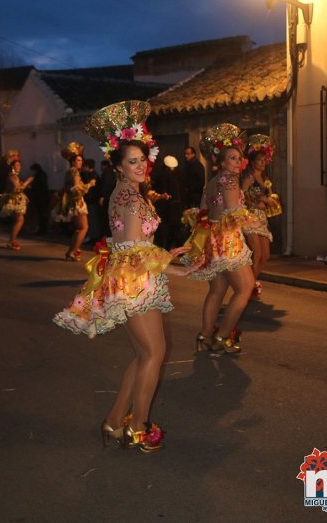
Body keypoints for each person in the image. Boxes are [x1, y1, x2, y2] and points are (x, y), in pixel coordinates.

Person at [53, 100, 197, 453]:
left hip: (130, 276)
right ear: (117, 166)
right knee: (154, 353)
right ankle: (138, 427)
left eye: (142, 159)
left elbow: (132, 244)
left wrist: (168, 253)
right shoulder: (130, 198)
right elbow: (134, 250)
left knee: (143, 355)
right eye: (132, 161)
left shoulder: (124, 193)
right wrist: (175, 266)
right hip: (136, 281)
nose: (141, 165)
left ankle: (115, 421)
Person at [182, 123, 255, 353]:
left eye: (238, 158)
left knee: (217, 290)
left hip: (212, 240)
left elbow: (201, 213)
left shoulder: (211, 183)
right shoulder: (230, 180)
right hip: (227, 241)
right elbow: (234, 212)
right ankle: (224, 337)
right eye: (232, 158)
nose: (237, 162)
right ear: (222, 162)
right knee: (245, 288)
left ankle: (204, 337)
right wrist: (252, 223)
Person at [241, 134, 281, 298]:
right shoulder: (249, 177)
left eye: (265, 160)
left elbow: (269, 195)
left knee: (265, 255)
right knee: (256, 254)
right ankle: (246, 289)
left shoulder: (265, 179)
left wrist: (270, 200)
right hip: (249, 217)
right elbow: (241, 196)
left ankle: (250, 285)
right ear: (252, 161)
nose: (263, 162)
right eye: (260, 160)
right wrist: (256, 202)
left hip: (262, 218)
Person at [51, 142, 96, 261]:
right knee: (84, 228)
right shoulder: (74, 172)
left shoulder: (70, 172)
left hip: (72, 202)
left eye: (81, 160)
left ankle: (71, 251)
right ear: (72, 161)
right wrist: (89, 185)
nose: (80, 162)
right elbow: (76, 188)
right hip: (76, 202)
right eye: (78, 160)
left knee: (78, 228)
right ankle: (72, 252)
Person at [0, 151, 34, 250]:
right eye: (17, 165)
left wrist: (24, 195)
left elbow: (17, 190)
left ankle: (12, 240)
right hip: (13, 201)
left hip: (16, 200)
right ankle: (11, 241)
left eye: (19, 165)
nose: (19, 167)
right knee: (19, 220)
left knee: (19, 220)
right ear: (13, 166)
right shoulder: (12, 176)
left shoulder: (15, 175)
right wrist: (27, 181)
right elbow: (18, 188)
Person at [152, 155, 184, 249]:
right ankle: (178, 250)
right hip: (176, 206)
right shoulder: (179, 174)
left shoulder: (160, 175)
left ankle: (165, 249)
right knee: (175, 230)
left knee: (165, 231)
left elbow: (158, 190)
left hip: (165, 207)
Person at [29, 163, 49, 235]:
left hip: (40, 197)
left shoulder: (38, 176)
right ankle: (42, 229)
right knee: (42, 213)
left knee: (41, 213)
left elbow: (37, 187)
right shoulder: (43, 175)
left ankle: (42, 229)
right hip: (42, 196)